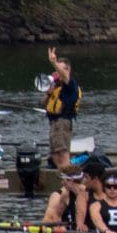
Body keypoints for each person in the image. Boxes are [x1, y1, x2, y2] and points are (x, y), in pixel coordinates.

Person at [43, 45, 81, 175]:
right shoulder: (56, 86)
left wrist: (53, 62)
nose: (57, 72)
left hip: (63, 122)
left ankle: (68, 177)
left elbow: (64, 76)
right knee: (54, 153)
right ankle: (61, 176)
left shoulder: (70, 84)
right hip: (54, 123)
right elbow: (43, 103)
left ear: (67, 70)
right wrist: (48, 92)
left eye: (60, 69)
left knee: (62, 152)